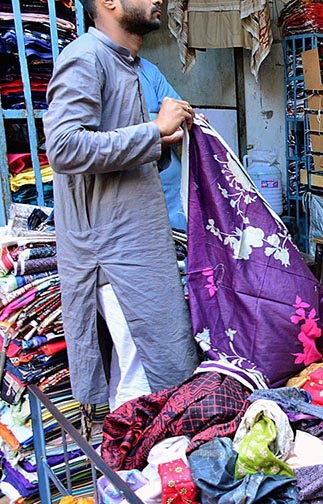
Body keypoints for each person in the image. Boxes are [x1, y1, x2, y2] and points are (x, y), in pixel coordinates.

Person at [43, 0, 200, 409]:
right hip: (114, 252)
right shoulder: (85, 58)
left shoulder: (132, 66)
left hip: (140, 242)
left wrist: (163, 139)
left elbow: (133, 147)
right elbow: (64, 148)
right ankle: (128, 471)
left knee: (150, 371)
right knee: (141, 380)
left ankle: (135, 463)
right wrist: (152, 131)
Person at [137, 57, 187, 231]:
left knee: (180, 241)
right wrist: (158, 124)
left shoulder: (146, 69)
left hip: (169, 184)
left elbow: (180, 112)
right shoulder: (88, 61)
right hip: (132, 185)